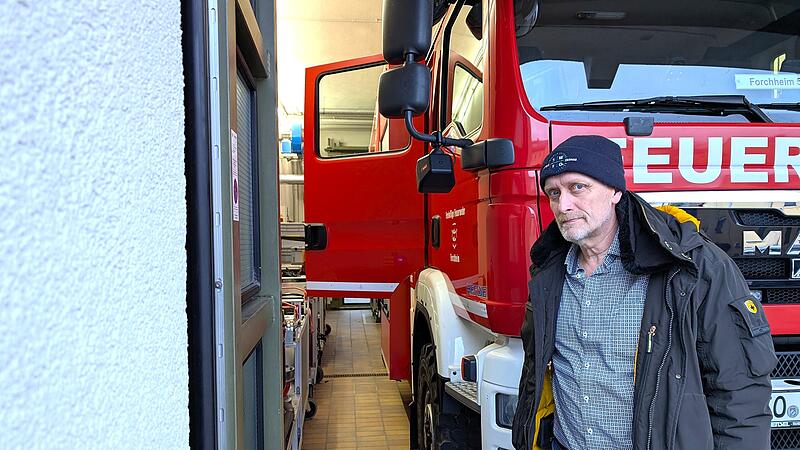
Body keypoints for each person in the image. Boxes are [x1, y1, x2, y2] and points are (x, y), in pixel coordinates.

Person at [511, 135, 776, 450]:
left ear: (615, 191)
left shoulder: (689, 267)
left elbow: (738, 392)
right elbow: (536, 380)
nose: (563, 205)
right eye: (554, 193)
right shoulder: (548, 273)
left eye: (577, 187)